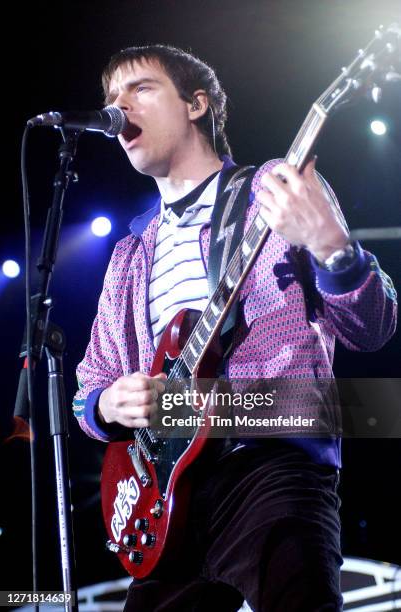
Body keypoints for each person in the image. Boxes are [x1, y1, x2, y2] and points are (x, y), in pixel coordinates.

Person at [72, 45, 397, 611]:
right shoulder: (129, 255)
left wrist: (332, 249)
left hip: (270, 461)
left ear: (196, 104)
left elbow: (373, 327)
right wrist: (107, 405)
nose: (118, 107)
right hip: (168, 492)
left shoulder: (271, 190)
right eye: (110, 99)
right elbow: (87, 388)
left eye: (139, 89)